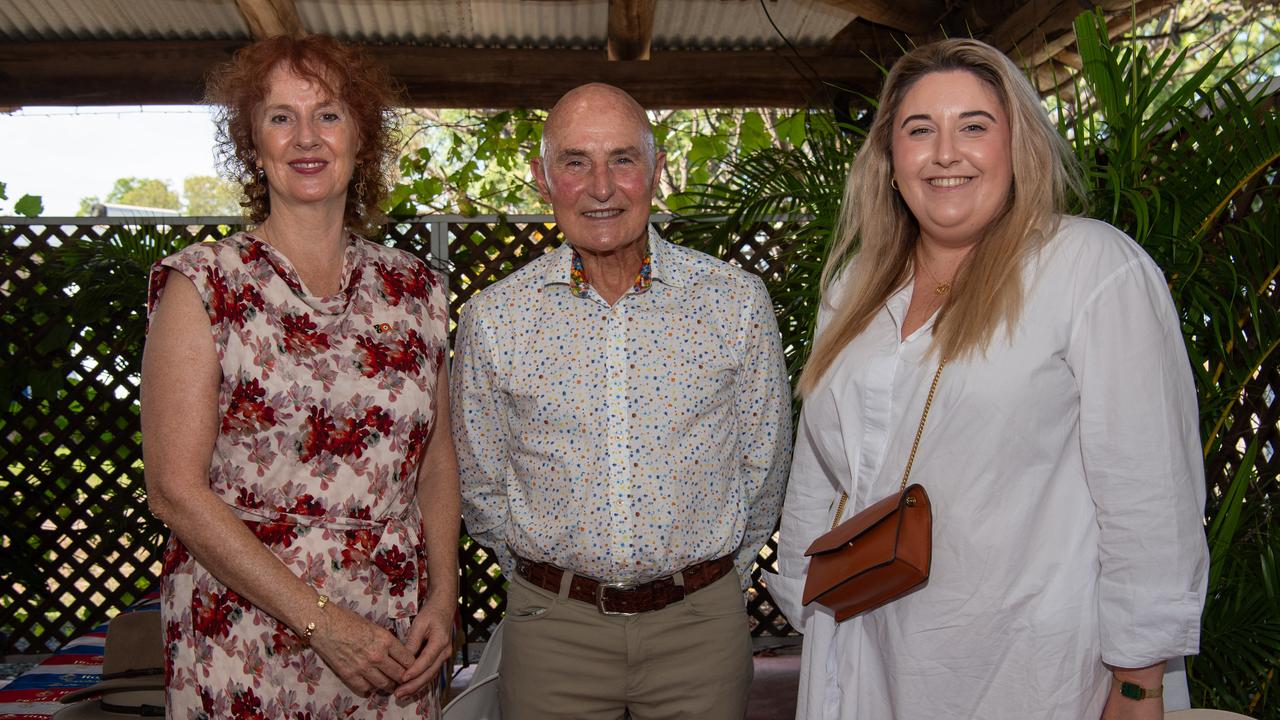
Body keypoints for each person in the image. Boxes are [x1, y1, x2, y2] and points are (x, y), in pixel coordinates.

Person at [764, 38, 1209, 720]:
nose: (946, 152)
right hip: (861, 640)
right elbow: (822, 467)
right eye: (920, 130)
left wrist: (1137, 682)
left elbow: (1150, 495)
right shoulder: (854, 285)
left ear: (1016, 147)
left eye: (974, 126)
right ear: (889, 161)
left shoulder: (1090, 269)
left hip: (1026, 662)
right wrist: (801, 586)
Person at [451, 82, 792, 719]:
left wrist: (706, 591)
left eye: (623, 160)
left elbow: (764, 466)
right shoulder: (495, 318)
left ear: (656, 171)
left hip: (700, 630)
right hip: (554, 634)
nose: (601, 187)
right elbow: (480, 482)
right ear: (542, 178)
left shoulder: (734, 302)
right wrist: (553, 592)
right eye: (575, 162)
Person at [141, 34, 458, 718]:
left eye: (329, 114)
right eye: (281, 117)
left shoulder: (416, 289)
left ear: (361, 139)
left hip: (391, 635)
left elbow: (434, 458)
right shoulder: (204, 284)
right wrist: (322, 623)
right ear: (254, 146)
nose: (305, 137)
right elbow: (174, 491)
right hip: (248, 627)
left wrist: (443, 593)